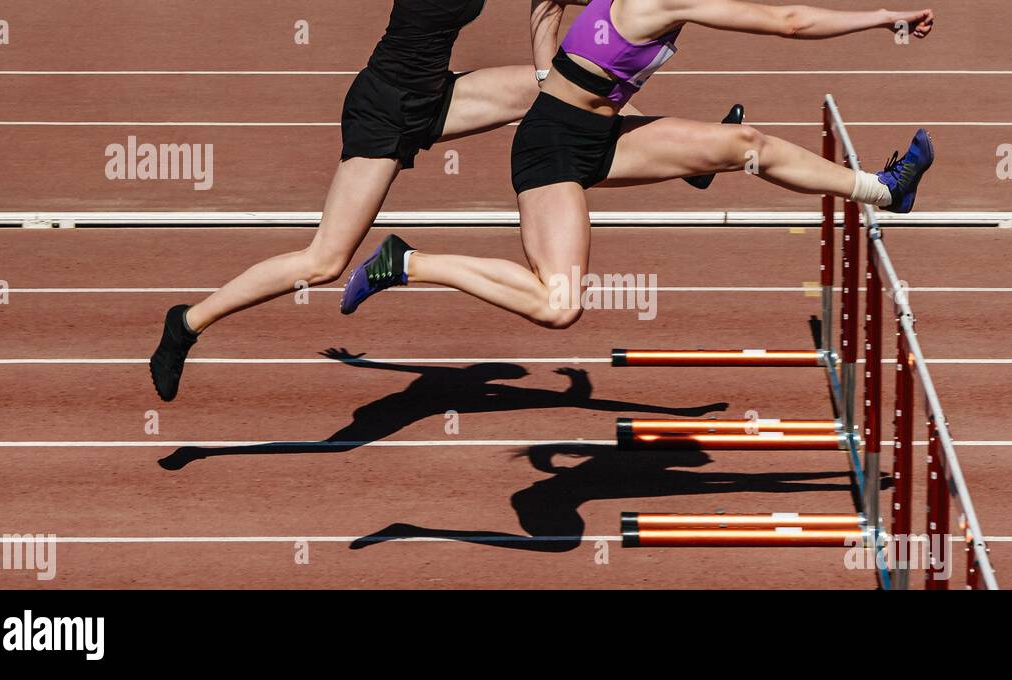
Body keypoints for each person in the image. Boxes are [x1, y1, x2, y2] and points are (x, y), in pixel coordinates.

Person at [149, 0, 736, 401]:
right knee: (323, 262)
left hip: (438, 93)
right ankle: (189, 322)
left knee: (561, 86)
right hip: (384, 107)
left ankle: (691, 163)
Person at [340, 0, 936, 332]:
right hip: (551, 150)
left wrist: (550, 69)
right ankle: (407, 262)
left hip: (602, 134)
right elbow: (789, 23)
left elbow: (545, 2)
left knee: (746, 143)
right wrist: (883, 17)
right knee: (560, 305)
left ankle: (885, 189)